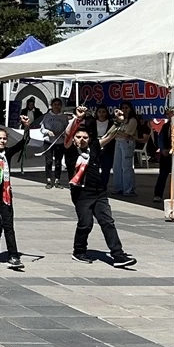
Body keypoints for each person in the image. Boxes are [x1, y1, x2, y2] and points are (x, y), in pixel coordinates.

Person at [64, 108, 135, 267]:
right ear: (74, 139)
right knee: (86, 223)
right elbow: (68, 134)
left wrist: (117, 121)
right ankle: (79, 251)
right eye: (79, 137)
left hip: (99, 193)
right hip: (81, 194)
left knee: (107, 222)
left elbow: (109, 137)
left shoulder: (94, 147)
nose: (82, 139)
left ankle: (118, 255)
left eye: (85, 137)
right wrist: (78, 119)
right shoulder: (70, 151)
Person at [0, 117, 29, 269]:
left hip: (6, 194)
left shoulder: (7, 153)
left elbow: (23, 143)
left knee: (9, 226)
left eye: (4, 138)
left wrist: (26, 127)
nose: (2, 141)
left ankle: (13, 255)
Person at [39, 98, 71, 188]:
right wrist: (47, 132)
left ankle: (57, 180)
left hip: (59, 142)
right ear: (51, 106)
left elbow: (67, 129)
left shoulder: (64, 117)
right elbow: (42, 128)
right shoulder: (47, 116)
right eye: (55, 104)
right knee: (48, 161)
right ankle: (49, 180)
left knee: (58, 162)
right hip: (48, 142)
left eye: (58, 104)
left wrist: (63, 134)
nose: (56, 106)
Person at [112, 101, 140, 197]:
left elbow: (127, 134)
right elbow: (113, 130)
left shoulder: (132, 120)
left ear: (130, 108)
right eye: (123, 108)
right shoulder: (121, 119)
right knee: (117, 166)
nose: (124, 110)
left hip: (127, 143)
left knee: (126, 167)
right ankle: (118, 188)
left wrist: (117, 132)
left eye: (126, 108)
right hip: (118, 141)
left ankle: (129, 189)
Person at [153, 108, 172, 206]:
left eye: (171, 114)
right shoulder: (165, 126)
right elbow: (160, 138)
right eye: (168, 114)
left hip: (173, 153)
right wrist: (163, 149)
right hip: (166, 155)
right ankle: (158, 195)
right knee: (162, 175)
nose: (169, 116)